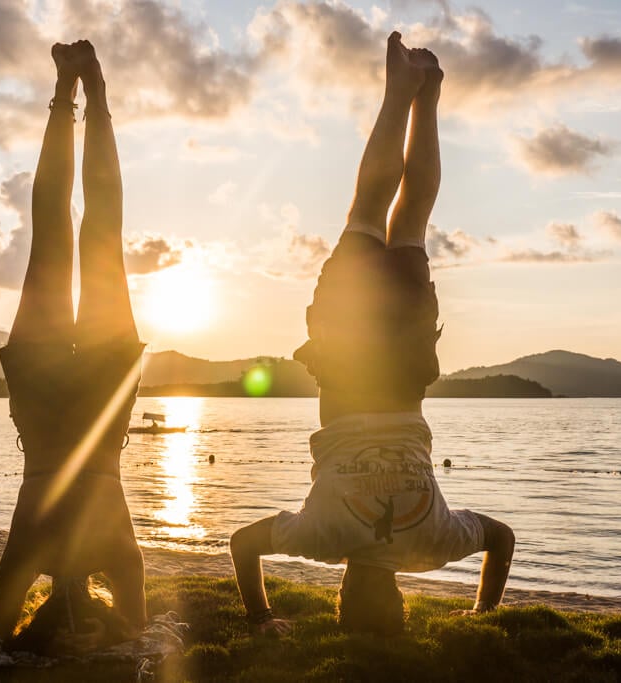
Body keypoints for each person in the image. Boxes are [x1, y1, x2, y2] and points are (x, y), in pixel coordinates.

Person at [230, 31, 515, 636]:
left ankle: (428, 94)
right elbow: (241, 543)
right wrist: (260, 618)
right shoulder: (320, 539)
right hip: (347, 364)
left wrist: (482, 611)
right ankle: (398, 91)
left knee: (410, 220)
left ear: (401, 602)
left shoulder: (433, 545)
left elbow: (502, 538)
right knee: (366, 211)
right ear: (341, 596)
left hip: (408, 371)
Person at [0, 40, 147, 650]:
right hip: (45, 397)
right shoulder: (32, 558)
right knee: (59, 232)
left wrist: (108, 634)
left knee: (98, 232)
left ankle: (88, 94)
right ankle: (71, 92)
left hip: (99, 401)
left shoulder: (116, 558)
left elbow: (134, 626)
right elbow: (1, 632)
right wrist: (30, 640)